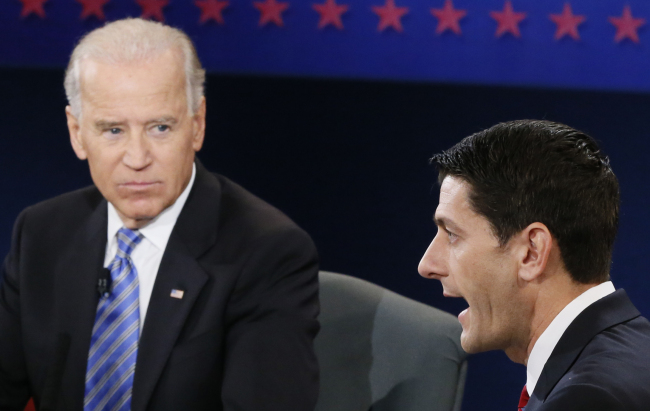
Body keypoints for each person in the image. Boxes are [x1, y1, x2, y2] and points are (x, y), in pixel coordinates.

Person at [0, 18, 319, 411]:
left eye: (160, 127)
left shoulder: (265, 252)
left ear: (197, 125)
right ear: (77, 132)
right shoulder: (42, 233)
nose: (137, 158)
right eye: (113, 130)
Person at [418, 120, 650, 410]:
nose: (427, 265)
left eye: (452, 234)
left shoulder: (584, 399)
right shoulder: (634, 355)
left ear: (531, 252)